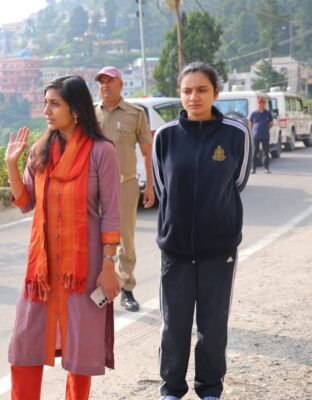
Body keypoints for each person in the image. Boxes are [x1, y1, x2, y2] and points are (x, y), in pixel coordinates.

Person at [6, 75, 122, 400]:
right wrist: (11, 165)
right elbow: (25, 202)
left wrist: (109, 265)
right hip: (41, 271)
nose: (46, 110)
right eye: (45, 103)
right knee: (25, 344)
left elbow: (112, 213)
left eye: (54, 104)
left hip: (83, 269)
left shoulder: (102, 152)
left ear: (76, 109)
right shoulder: (40, 151)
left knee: (80, 352)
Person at [152, 62, 252, 400]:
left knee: (213, 324)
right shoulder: (165, 136)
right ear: (179, 94)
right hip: (176, 249)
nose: (193, 96)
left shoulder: (235, 134)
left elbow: (237, 182)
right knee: (174, 325)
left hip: (218, 249)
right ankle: (171, 389)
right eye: (187, 90)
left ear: (216, 93)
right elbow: (163, 187)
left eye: (201, 90)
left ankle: (210, 389)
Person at [94, 66, 156, 312]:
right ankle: (98, 287)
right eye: (101, 82)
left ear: (121, 84)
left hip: (125, 183)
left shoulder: (135, 113)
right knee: (95, 235)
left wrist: (149, 185)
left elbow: (147, 152)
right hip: (95, 185)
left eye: (110, 81)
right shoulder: (90, 114)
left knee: (125, 236)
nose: (105, 86)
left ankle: (127, 288)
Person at [248, 97, 273, 174]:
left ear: (264, 104)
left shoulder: (268, 113)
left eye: (262, 103)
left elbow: (271, 123)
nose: (261, 105)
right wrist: (253, 130)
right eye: (260, 103)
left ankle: (266, 168)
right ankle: (253, 169)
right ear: (257, 104)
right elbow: (250, 123)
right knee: (255, 152)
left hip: (265, 135)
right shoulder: (254, 113)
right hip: (256, 136)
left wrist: (265, 128)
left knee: (266, 152)